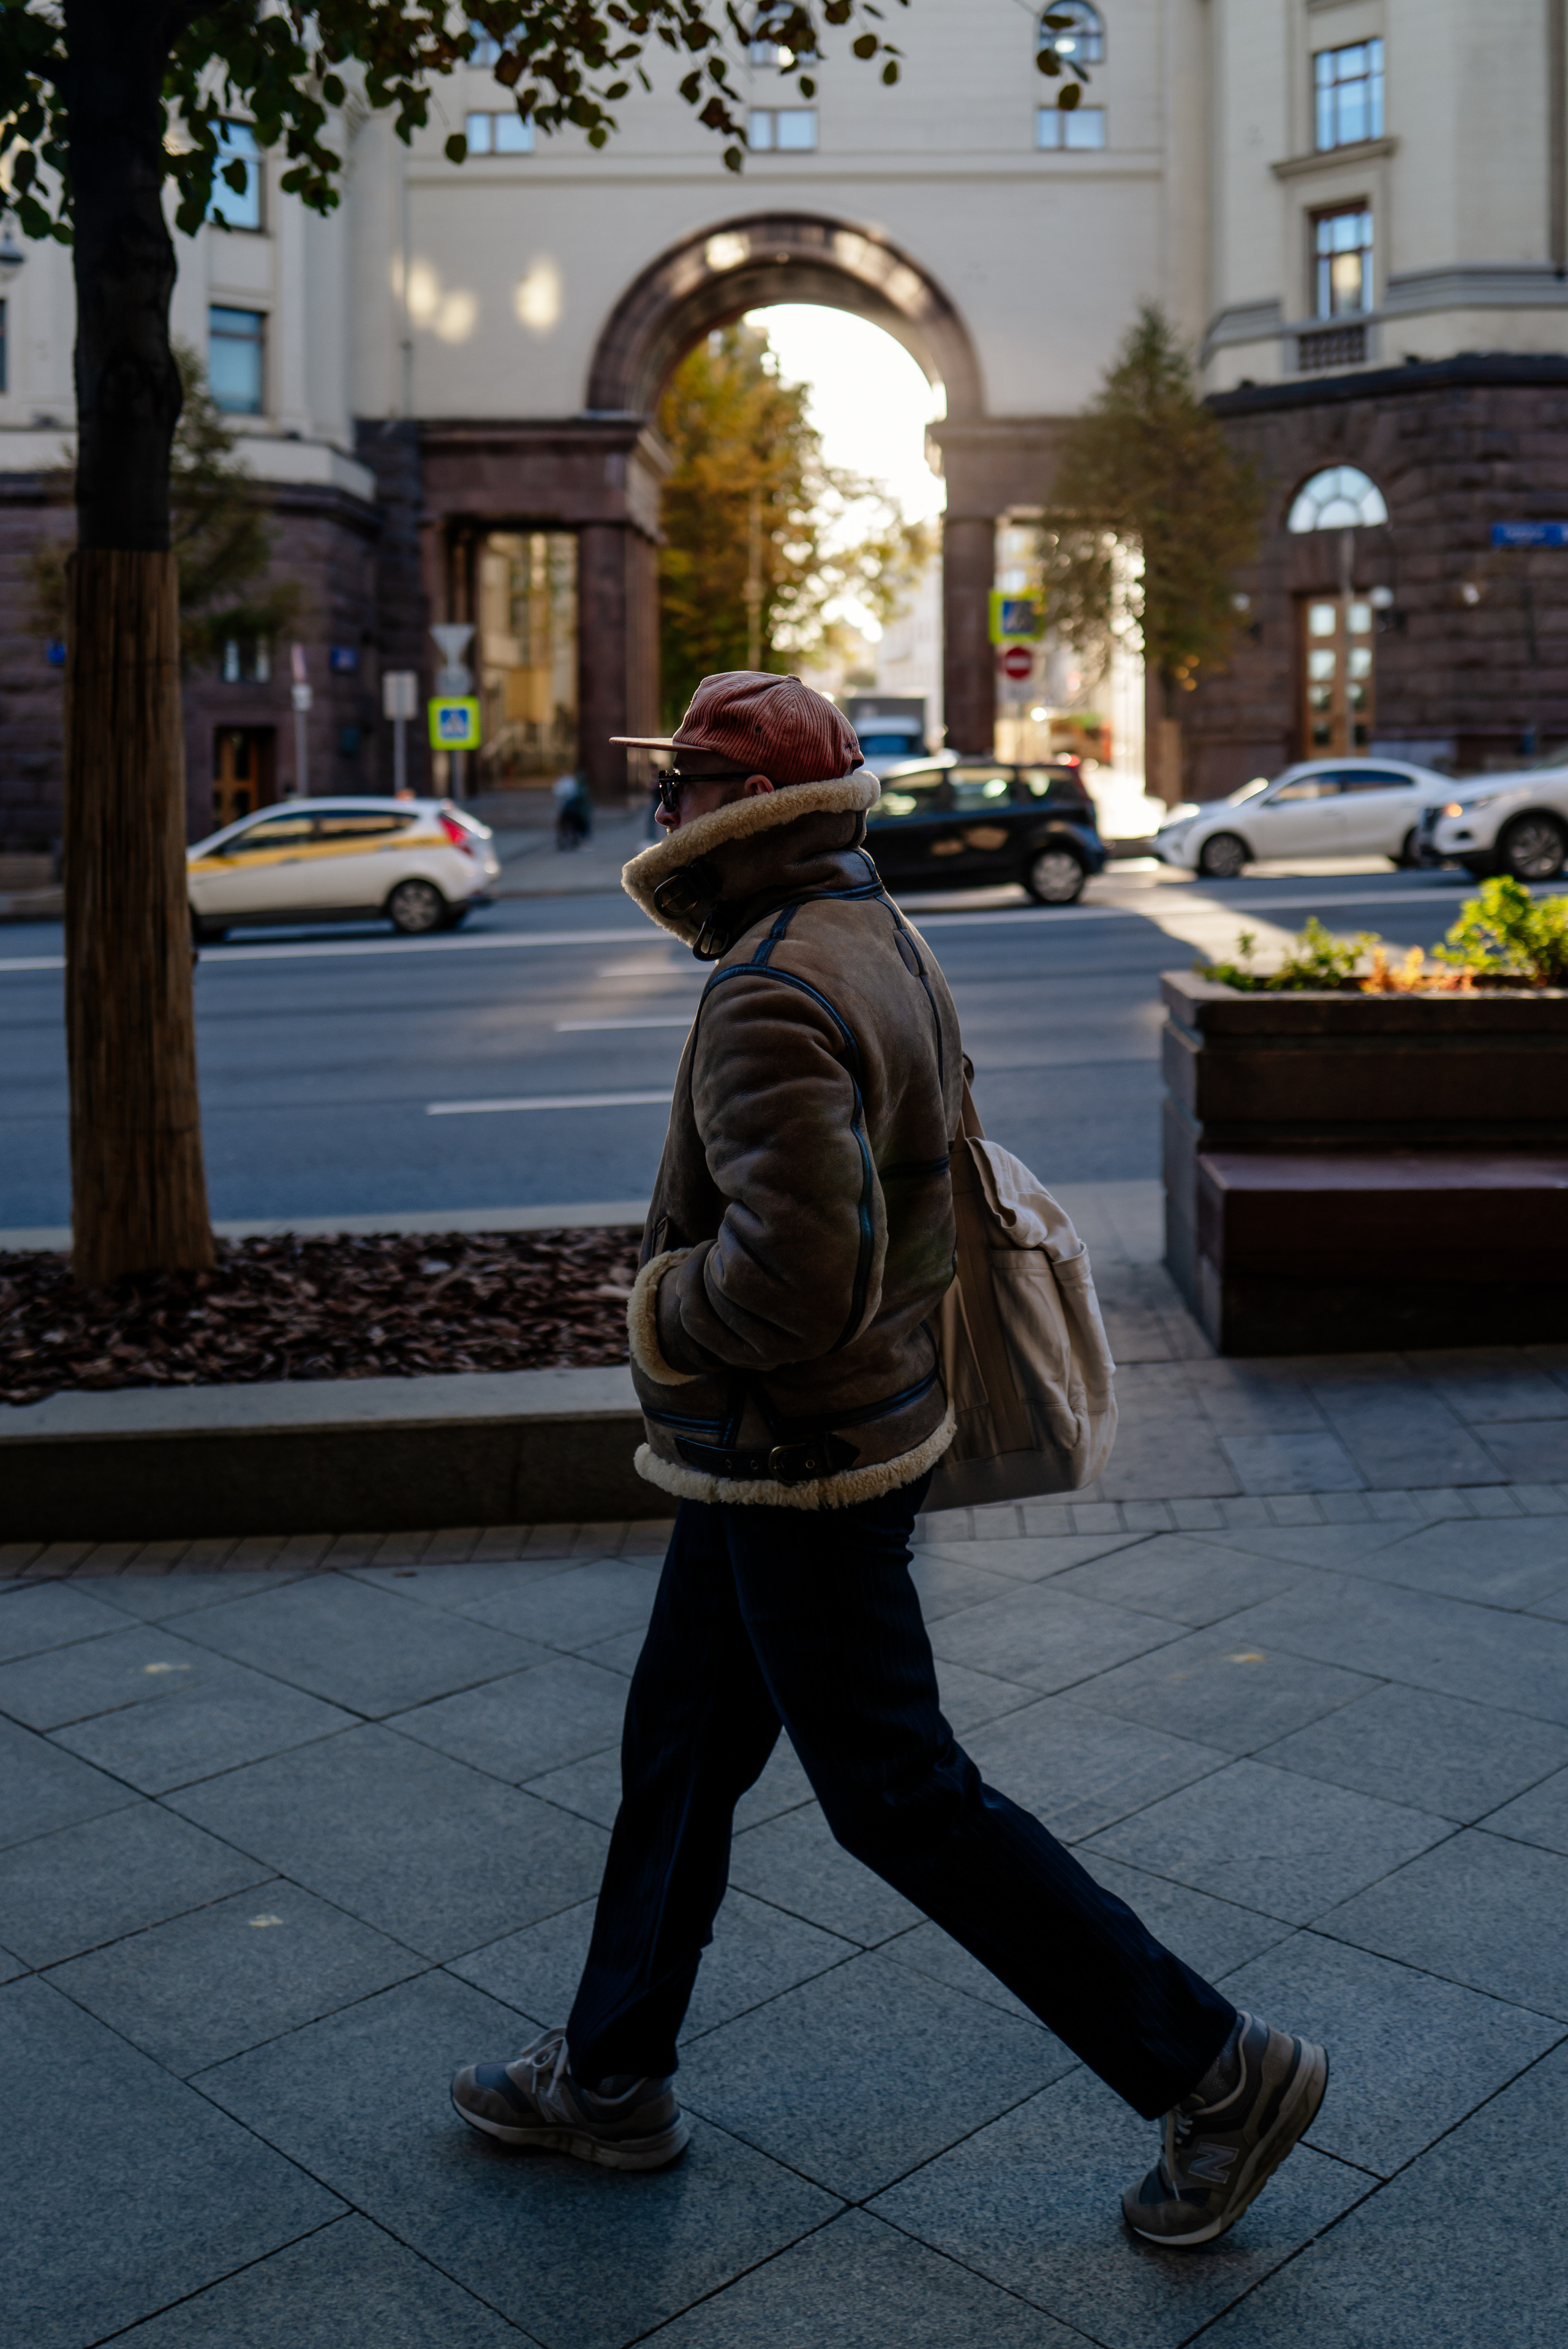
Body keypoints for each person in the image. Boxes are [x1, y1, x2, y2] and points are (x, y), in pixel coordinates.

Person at [451, 671, 1327, 2247]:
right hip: (823, 1436)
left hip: (798, 1453)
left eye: (693, 782)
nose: (667, 808)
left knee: (899, 1796)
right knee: (680, 1748)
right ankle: (608, 2073)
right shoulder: (873, 933)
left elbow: (792, 1278)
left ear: (751, 812)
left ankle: (1212, 2070)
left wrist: (660, 1307)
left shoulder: (770, 989)